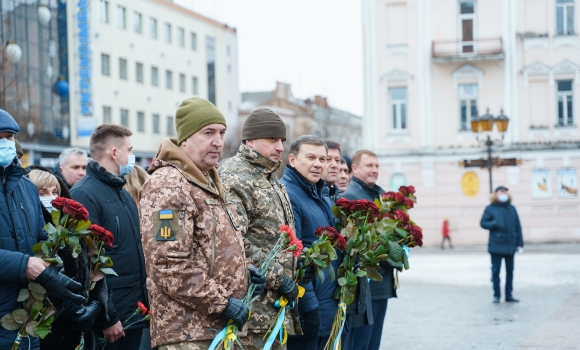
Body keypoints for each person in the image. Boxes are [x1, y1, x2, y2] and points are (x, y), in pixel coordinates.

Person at [139, 97, 260, 350]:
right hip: (188, 334)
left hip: (217, 330)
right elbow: (168, 265)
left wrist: (245, 270)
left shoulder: (209, 183)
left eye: (222, 133)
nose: (218, 141)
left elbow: (212, 247)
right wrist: (223, 302)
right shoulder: (168, 185)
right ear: (184, 140)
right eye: (208, 133)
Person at [0, 109, 85, 350]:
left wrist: (52, 262)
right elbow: (27, 262)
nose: (6, 144)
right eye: (0, 137)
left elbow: (39, 238)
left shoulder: (25, 188)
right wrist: (26, 265)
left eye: (10, 137)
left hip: (25, 321)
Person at [219, 108, 303, 349]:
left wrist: (300, 263)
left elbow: (273, 237)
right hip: (251, 312)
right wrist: (279, 277)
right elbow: (234, 241)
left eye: (282, 141)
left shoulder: (267, 176)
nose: (279, 147)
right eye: (272, 139)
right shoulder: (236, 176)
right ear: (250, 140)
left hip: (272, 311)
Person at [71, 125, 149, 350]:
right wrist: (107, 316)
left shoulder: (122, 193)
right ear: (115, 153)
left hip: (132, 312)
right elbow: (87, 263)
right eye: (130, 149)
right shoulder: (84, 194)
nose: (132, 156)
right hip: (111, 323)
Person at [27, 168, 109, 350]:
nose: (51, 197)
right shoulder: (31, 233)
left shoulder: (74, 229)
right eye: (43, 193)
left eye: (55, 192)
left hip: (80, 331)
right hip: (49, 332)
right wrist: (71, 309)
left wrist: (95, 305)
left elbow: (95, 271)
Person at [281, 135, 338, 350]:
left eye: (322, 159)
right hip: (307, 310)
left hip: (325, 304)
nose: (318, 164)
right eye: (311, 157)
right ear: (293, 159)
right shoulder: (288, 194)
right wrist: (308, 307)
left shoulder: (320, 193)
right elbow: (293, 254)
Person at [343, 150, 395, 350]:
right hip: (366, 285)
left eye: (377, 166)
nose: (374, 170)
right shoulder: (352, 197)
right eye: (369, 166)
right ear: (354, 169)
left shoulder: (379, 194)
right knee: (360, 344)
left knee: (373, 343)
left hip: (381, 281)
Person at [480, 186, 524, 304]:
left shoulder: (512, 209)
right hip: (496, 246)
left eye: (505, 192)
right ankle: (497, 295)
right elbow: (483, 223)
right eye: (501, 192)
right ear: (496, 194)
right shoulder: (490, 208)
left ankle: (509, 295)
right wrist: (494, 223)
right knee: (496, 272)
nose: (504, 193)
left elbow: (518, 226)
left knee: (510, 271)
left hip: (510, 246)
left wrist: (519, 243)